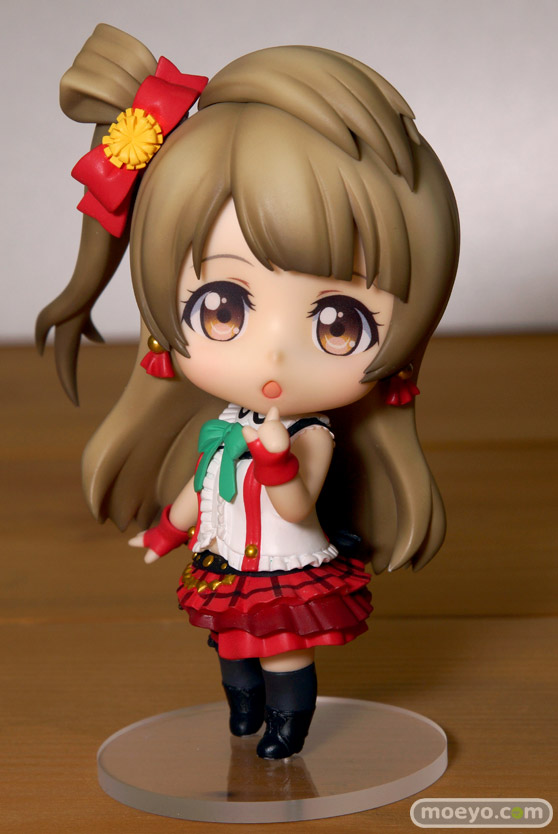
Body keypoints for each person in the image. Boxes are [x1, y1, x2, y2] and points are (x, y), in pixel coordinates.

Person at [37, 23, 459, 759]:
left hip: (288, 568)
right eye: (223, 309)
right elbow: (202, 488)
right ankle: (242, 708)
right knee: (230, 641)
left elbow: (297, 504)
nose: (274, 353)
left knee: (285, 647)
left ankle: (289, 725)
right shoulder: (223, 426)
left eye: (338, 322)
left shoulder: (311, 435)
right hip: (228, 563)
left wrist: (275, 462)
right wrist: (166, 532)